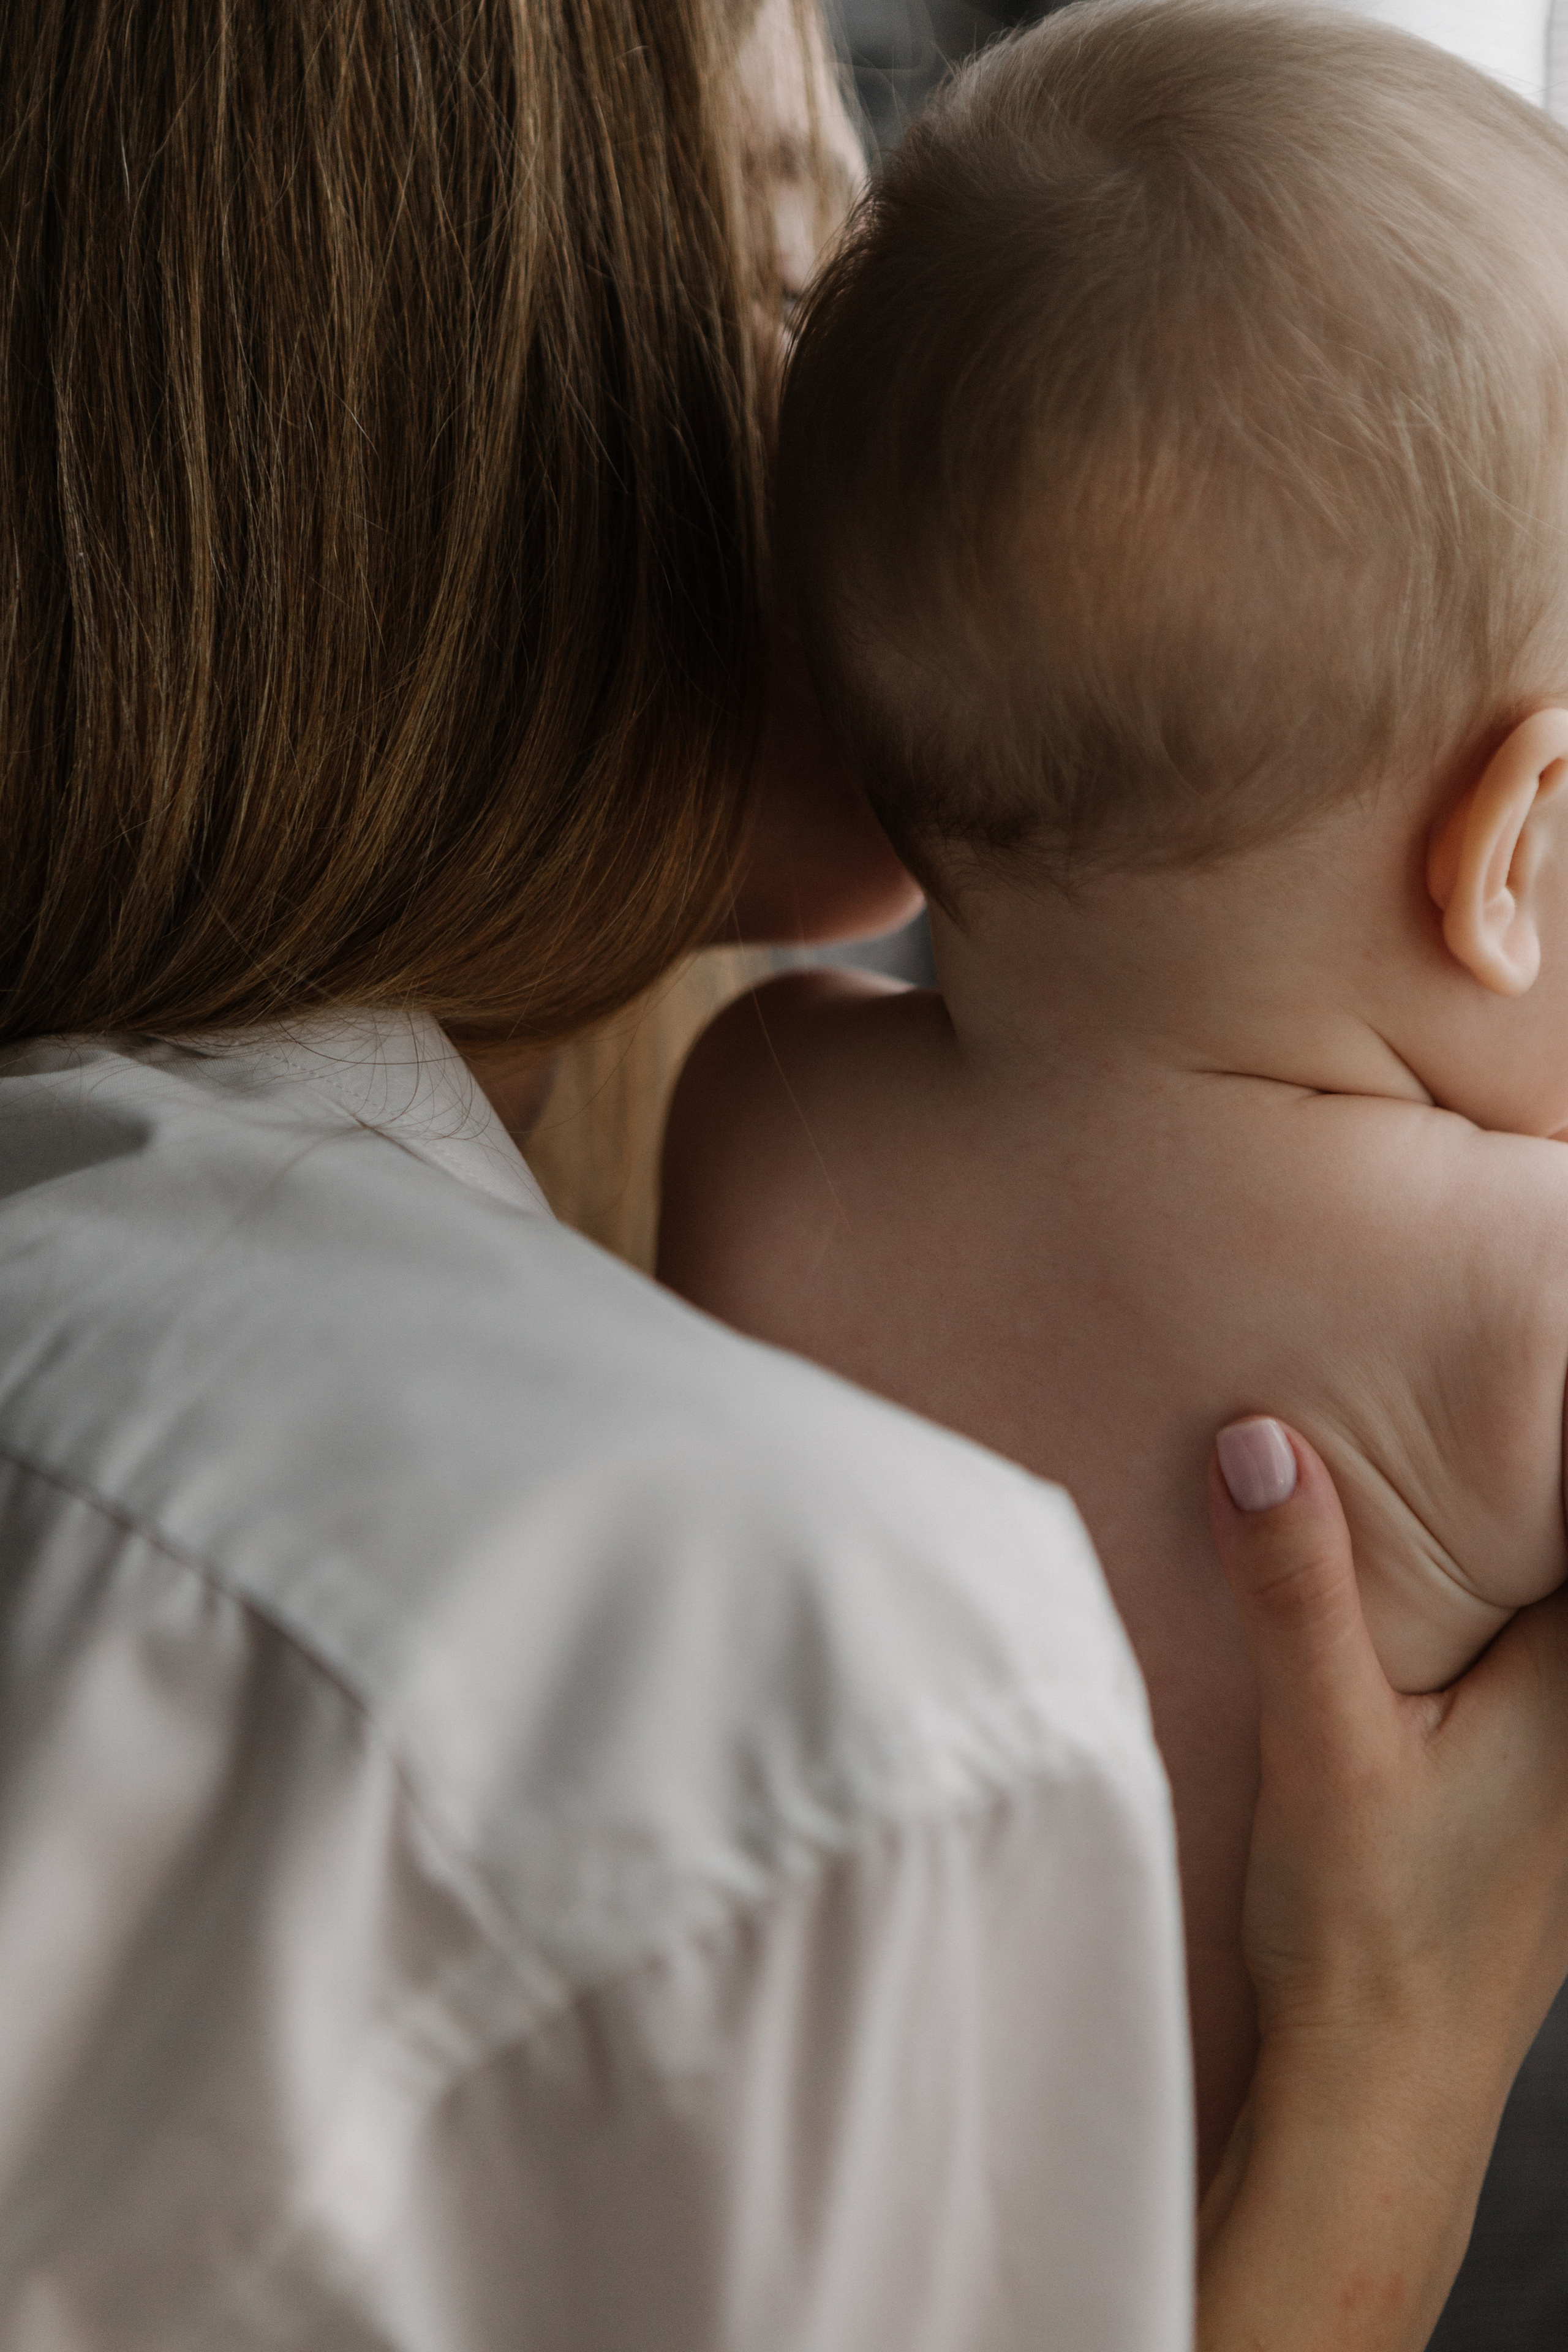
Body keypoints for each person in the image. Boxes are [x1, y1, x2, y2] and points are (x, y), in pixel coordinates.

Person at [1, 2, 1566, 2346]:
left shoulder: (762, 1112)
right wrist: (1397, 2068)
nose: (847, 421)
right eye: (767, 262)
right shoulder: (810, 1672)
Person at [658, 0, 1568, 2190]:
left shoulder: (757, 1112)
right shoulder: (1520, 1306)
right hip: (1278, 2224)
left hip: (841, 2218)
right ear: (1515, 854)